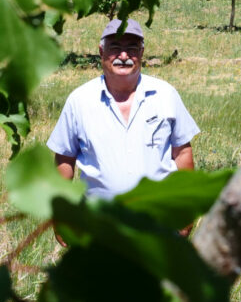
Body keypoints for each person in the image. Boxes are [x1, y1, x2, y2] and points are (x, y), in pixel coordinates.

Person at [47, 17, 198, 204]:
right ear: (102, 51)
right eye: (115, 48)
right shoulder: (80, 101)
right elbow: (64, 159)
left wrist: (186, 212)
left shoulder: (166, 95)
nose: (124, 56)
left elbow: (183, 153)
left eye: (132, 49)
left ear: (142, 52)